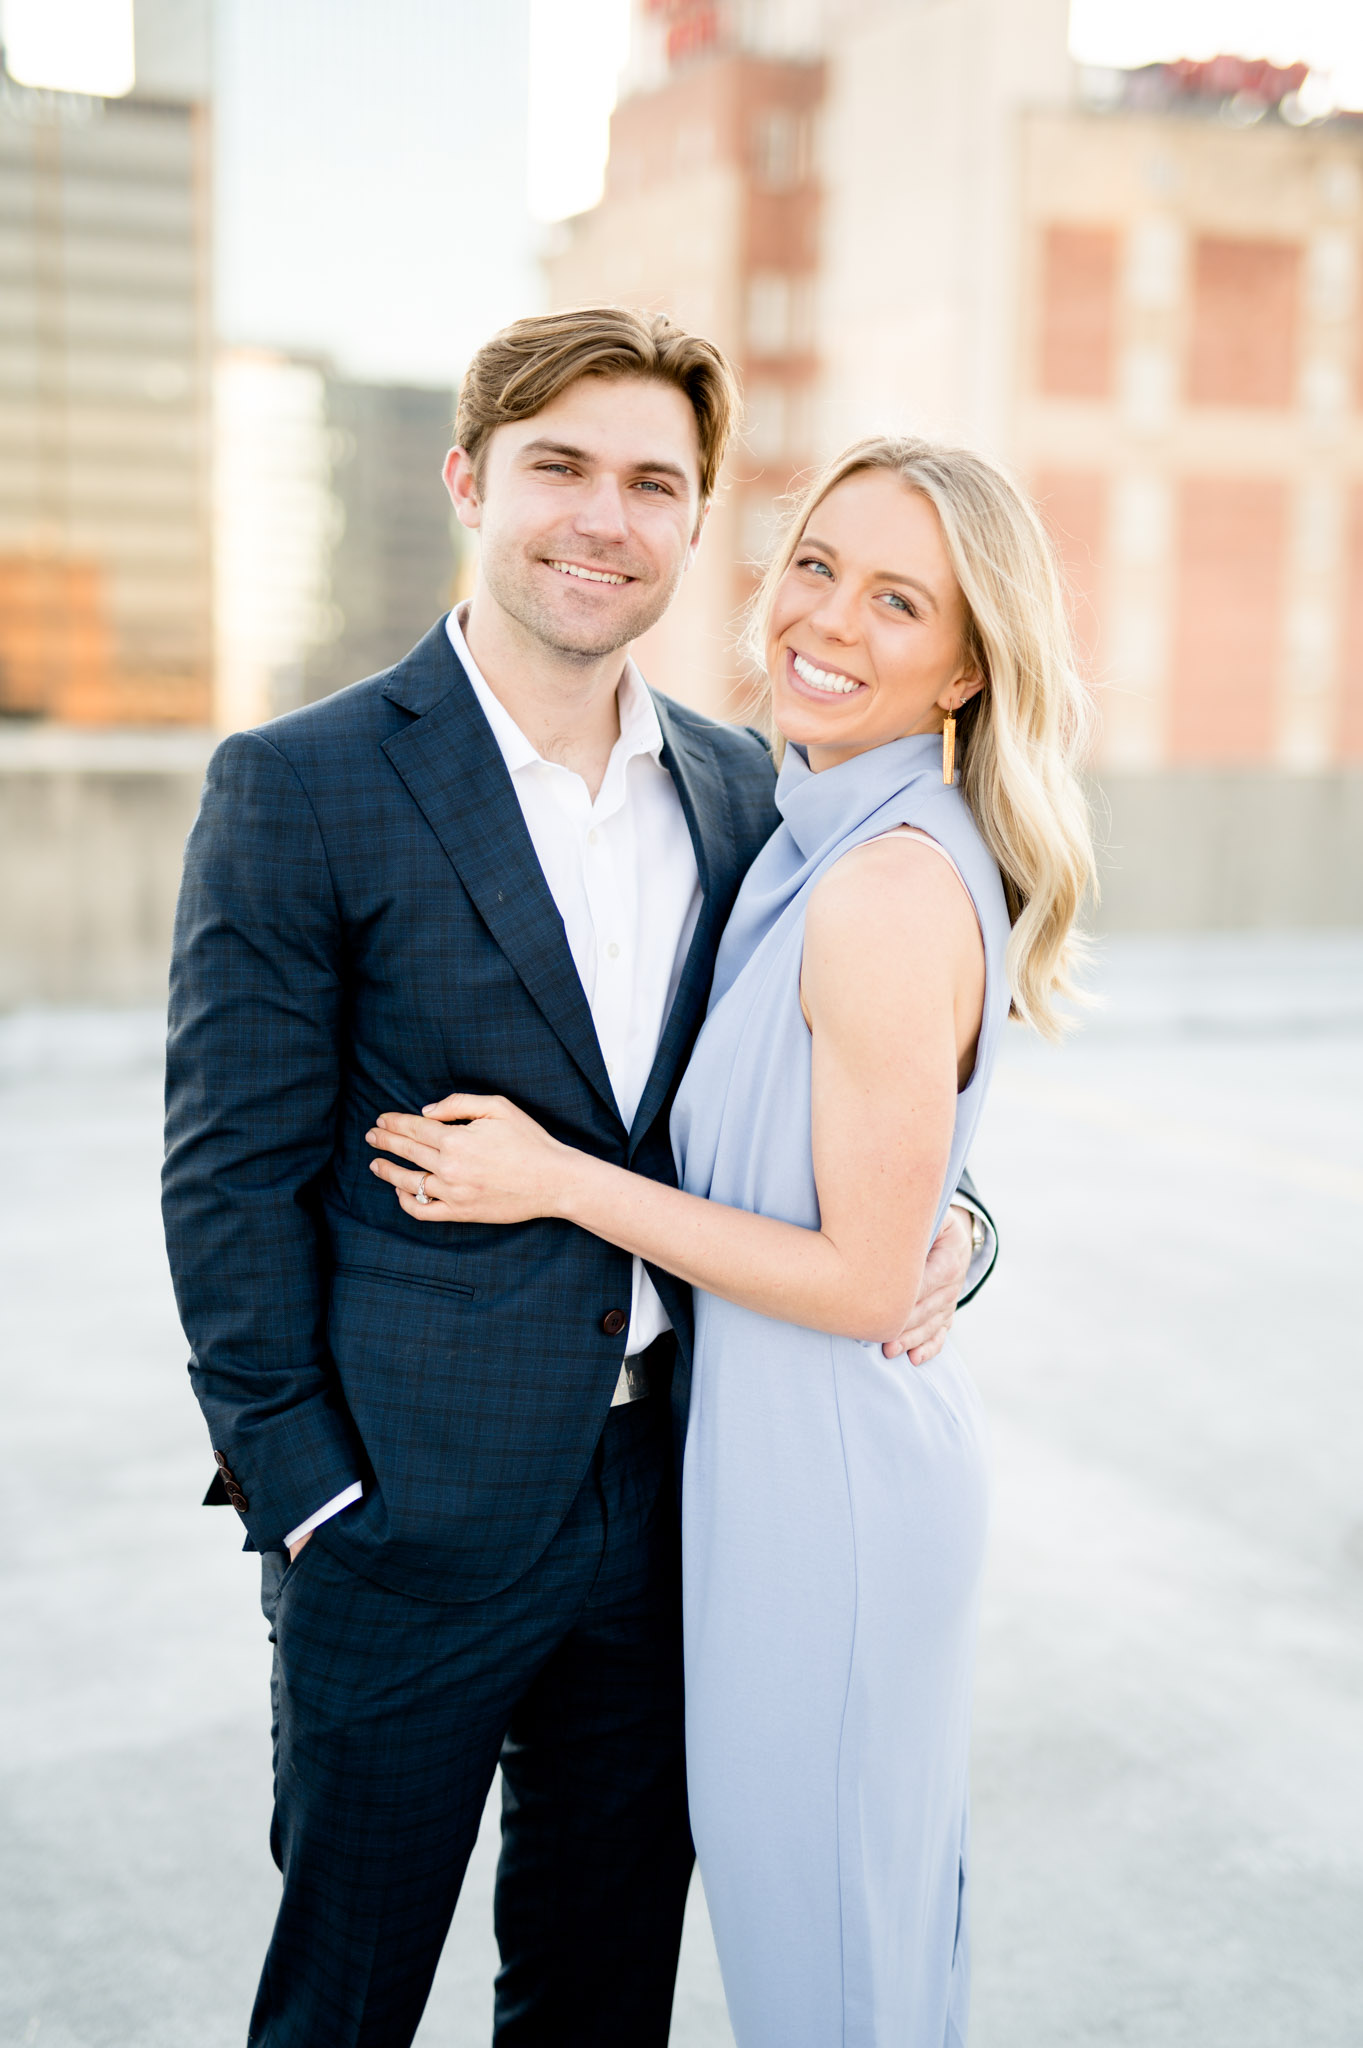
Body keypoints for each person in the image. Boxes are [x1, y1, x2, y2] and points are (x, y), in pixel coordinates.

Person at [161, 311, 997, 2048]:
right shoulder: (301, 785)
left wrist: (960, 1235)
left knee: (600, 2003)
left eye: (653, 484)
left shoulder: (747, 792)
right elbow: (223, 1183)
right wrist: (311, 1500)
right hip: (397, 1526)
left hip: (673, 1513)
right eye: (559, 468)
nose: (601, 519)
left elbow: (863, 1086)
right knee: (342, 2003)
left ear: (696, 527)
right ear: (470, 479)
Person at [364, 435, 1096, 2047]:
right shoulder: (801, 827)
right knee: (834, 1952)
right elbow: (887, 1180)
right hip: (761, 1472)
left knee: (830, 1970)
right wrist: (951, 1227)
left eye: (901, 601)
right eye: (818, 566)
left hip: (826, 1492)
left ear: (971, 668)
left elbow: (848, 1275)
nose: (828, 619)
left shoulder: (877, 884)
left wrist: (560, 1179)